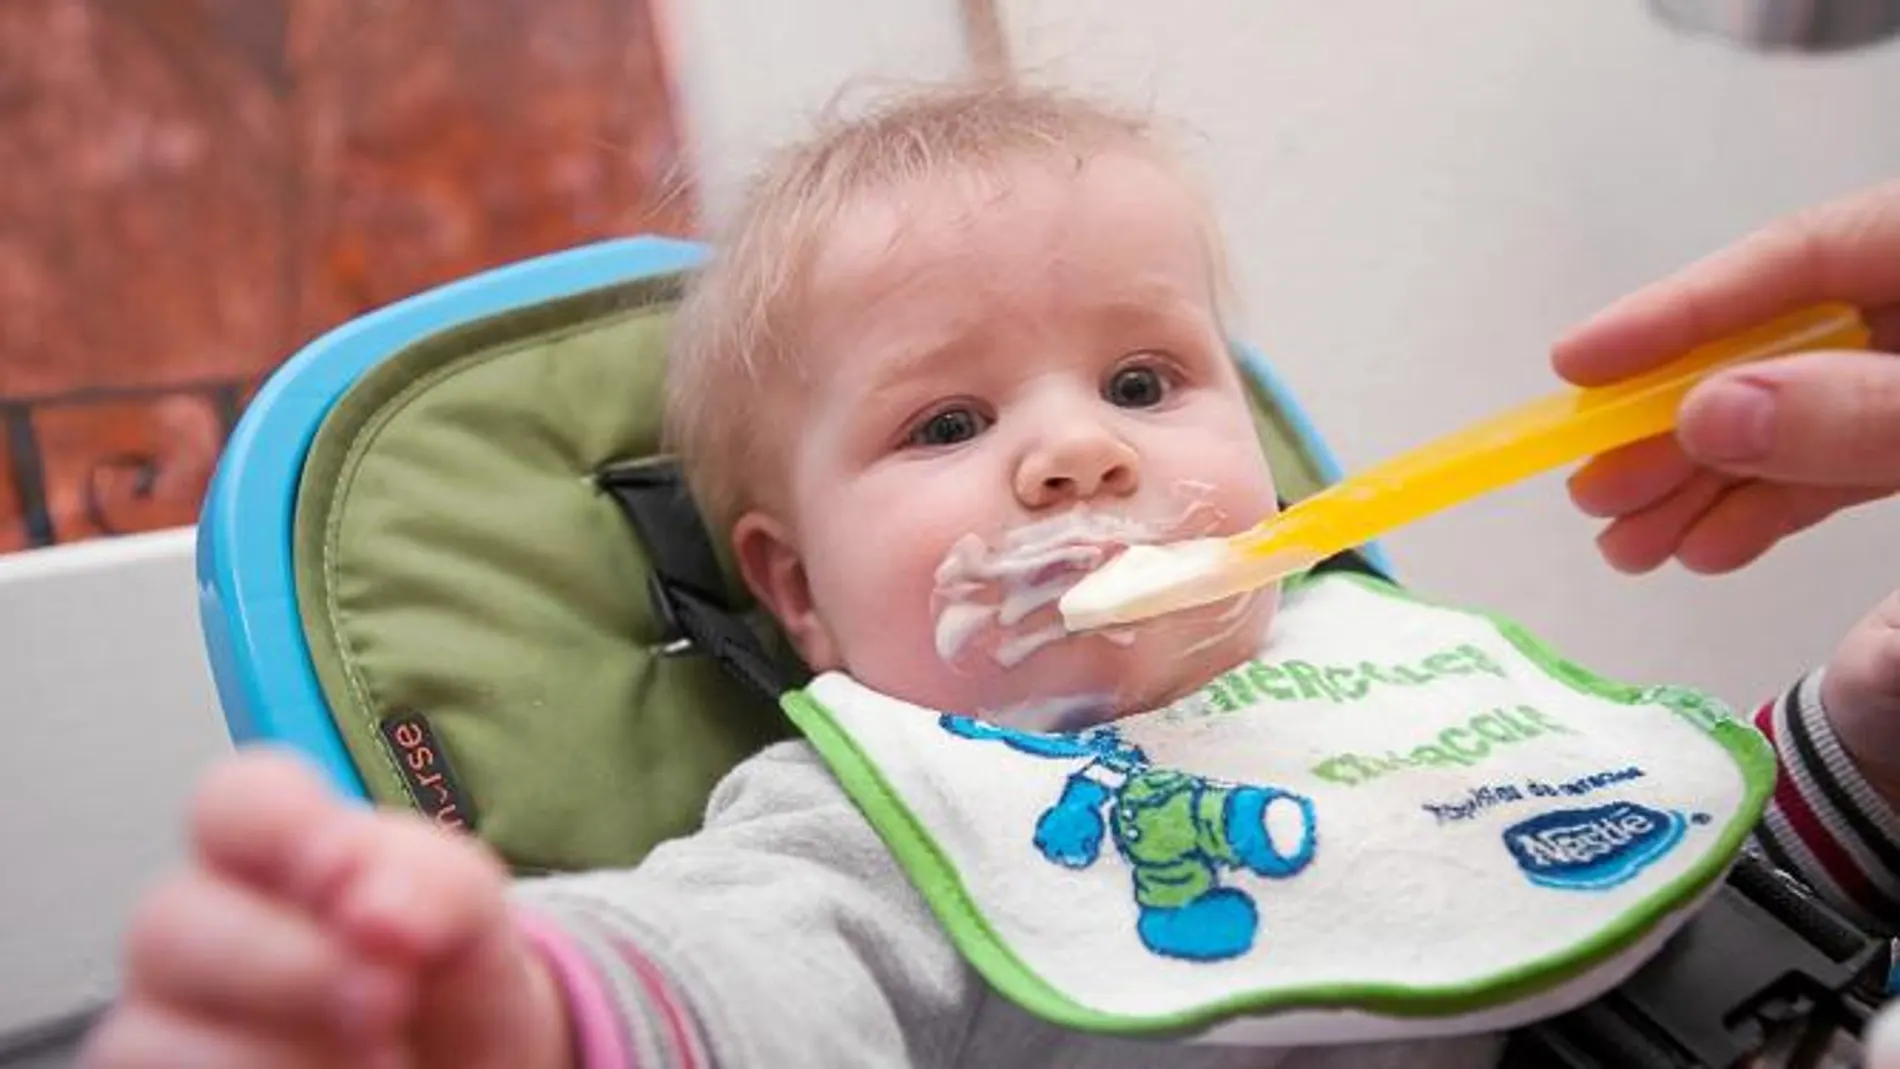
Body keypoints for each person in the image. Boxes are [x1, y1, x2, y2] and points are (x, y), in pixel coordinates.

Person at [78, 84, 1900, 1069]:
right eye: (947, 423)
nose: (1077, 455)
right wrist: (523, 1010)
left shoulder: (1380, 667)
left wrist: (1864, 740)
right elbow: (736, 980)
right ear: (795, 593)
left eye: (1141, 384)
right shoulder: (877, 814)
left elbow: (1680, 920)